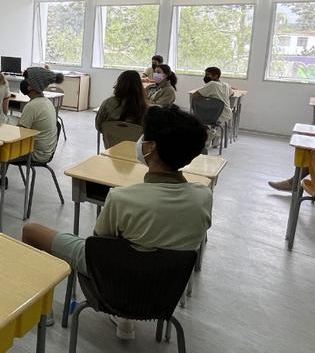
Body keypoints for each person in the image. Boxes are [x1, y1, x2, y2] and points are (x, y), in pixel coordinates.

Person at [21, 106, 212, 340]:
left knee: (31, 231)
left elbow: (100, 246)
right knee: (137, 250)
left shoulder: (122, 198)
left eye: (144, 136)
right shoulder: (203, 197)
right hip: (164, 290)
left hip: (115, 285)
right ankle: (125, 321)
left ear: (150, 148)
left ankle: (42, 313)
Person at [0, 67, 61, 213]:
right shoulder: (45, 103)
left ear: (32, 86)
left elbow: (17, 136)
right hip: (43, 149)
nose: (23, 83)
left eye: (26, 80)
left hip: (34, 153)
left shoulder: (33, 106)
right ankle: (0, 176)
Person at [195, 67, 233, 146]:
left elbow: (195, 95)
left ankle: (209, 135)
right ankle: (215, 136)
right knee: (215, 122)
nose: (205, 77)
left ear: (216, 76)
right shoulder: (226, 85)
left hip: (215, 114)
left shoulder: (212, 84)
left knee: (197, 116)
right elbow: (232, 93)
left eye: (208, 75)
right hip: (227, 114)